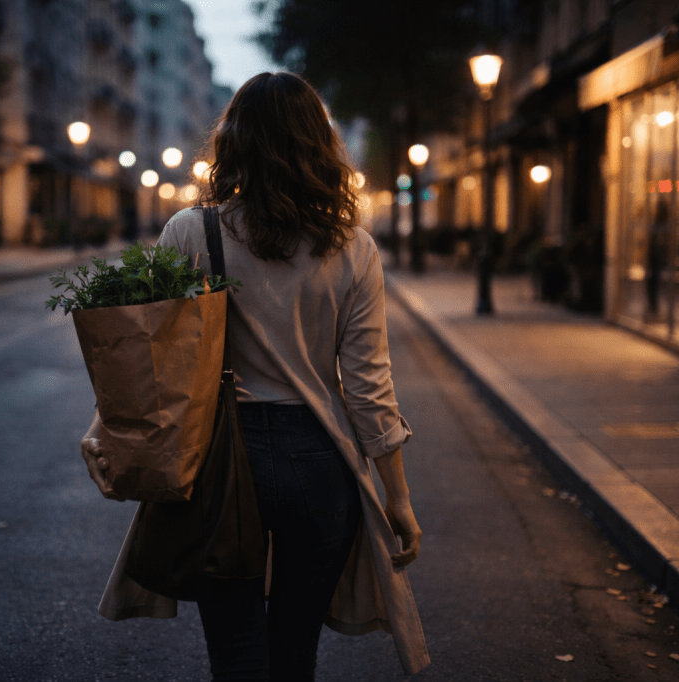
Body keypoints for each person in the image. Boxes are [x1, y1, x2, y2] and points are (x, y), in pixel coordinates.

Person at [81, 72, 428, 681]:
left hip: (220, 460)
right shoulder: (353, 247)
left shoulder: (193, 231)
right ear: (319, 144)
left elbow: (153, 357)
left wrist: (106, 427)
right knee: (294, 652)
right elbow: (370, 388)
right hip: (320, 463)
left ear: (233, 141)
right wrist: (396, 497)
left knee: (237, 654)